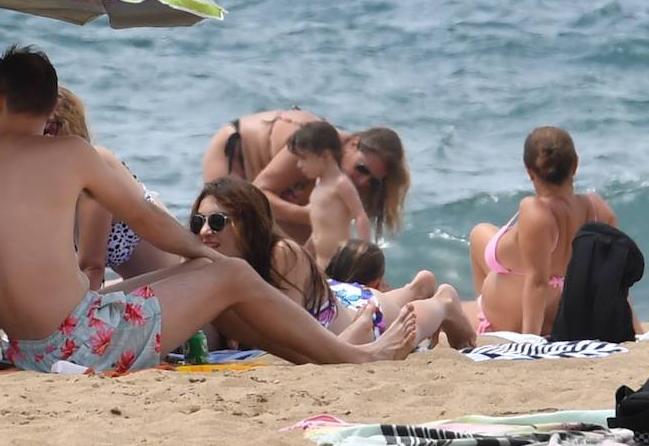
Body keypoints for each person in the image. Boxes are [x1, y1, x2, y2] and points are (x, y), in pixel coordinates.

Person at [0, 45, 418, 374]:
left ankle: (319, 356)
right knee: (229, 274)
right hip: (85, 345)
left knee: (206, 278)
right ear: (50, 103)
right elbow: (145, 217)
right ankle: (357, 359)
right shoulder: (72, 154)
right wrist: (200, 254)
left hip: (28, 349)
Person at [193, 177, 475, 349]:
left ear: (248, 222)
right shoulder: (210, 264)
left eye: (217, 222)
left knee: (405, 323)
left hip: (360, 317)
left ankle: (443, 302)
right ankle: (415, 288)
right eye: (199, 222)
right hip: (336, 296)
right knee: (389, 299)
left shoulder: (281, 254)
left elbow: (285, 333)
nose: (205, 231)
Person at [467, 126, 618, 336]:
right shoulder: (597, 208)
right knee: (485, 234)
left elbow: (538, 282)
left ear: (529, 172)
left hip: (509, 320)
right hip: (561, 315)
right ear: (575, 165)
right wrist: (635, 331)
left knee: (479, 234)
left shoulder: (536, 211)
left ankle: (483, 313)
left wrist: (531, 342)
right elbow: (614, 275)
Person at [202, 108, 409, 242]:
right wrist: (305, 215)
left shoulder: (350, 178)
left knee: (300, 257)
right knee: (227, 238)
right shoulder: (316, 143)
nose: (363, 181)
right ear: (353, 144)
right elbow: (256, 194)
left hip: (282, 185)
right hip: (238, 153)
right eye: (362, 169)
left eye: (373, 180)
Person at [48, 87, 182, 288]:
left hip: (177, 282)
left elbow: (92, 268)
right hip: (149, 286)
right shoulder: (61, 182)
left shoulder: (94, 164)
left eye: (45, 130)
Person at [287, 121, 370, 270]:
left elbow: (360, 215)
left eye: (304, 158)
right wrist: (305, 252)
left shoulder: (340, 183)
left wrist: (364, 252)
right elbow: (319, 228)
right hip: (320, 262)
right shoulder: (319, 185)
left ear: (325, 155)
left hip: (338, 263)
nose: (299, 165)